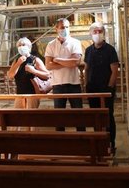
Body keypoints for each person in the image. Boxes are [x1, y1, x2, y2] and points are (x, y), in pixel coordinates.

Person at [84, 21, 119, 153]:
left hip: (106, 89)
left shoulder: (110, 49)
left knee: (108, 116)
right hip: (92, 89)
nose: (97, 34)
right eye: (95, 32)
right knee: (95, 116)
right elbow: (86, 69)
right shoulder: (88, 50)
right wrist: (86, 85)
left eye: (100, 31)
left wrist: (109, 87)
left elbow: (115, 70)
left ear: (103, 33)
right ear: (91, 34)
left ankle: (110, 143)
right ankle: (98, 142)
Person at [44, 18, 84, 131]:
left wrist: (57, 59)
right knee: (59, 117)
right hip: (58, 85)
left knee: (79, 115)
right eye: (62, 27)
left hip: (74, 84)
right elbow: (48, 65)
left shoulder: (75, 42)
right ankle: (60, 142)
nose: (65, 29)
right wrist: (68, 62)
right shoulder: (51, 45)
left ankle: (83, 140)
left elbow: (76, 62)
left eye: (67, 27)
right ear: (56, 29)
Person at [8, 37, 50, 108]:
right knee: (18, 115)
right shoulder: (16, 61)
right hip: (20, 93)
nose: (21, 47)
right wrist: (18, 63)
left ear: (29, 47)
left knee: (31, 115)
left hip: (32, 94)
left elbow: (47, 75)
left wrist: (34, 71)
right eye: (19, 45)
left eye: (23, 45)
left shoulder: (35, 60)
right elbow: (10, 76)